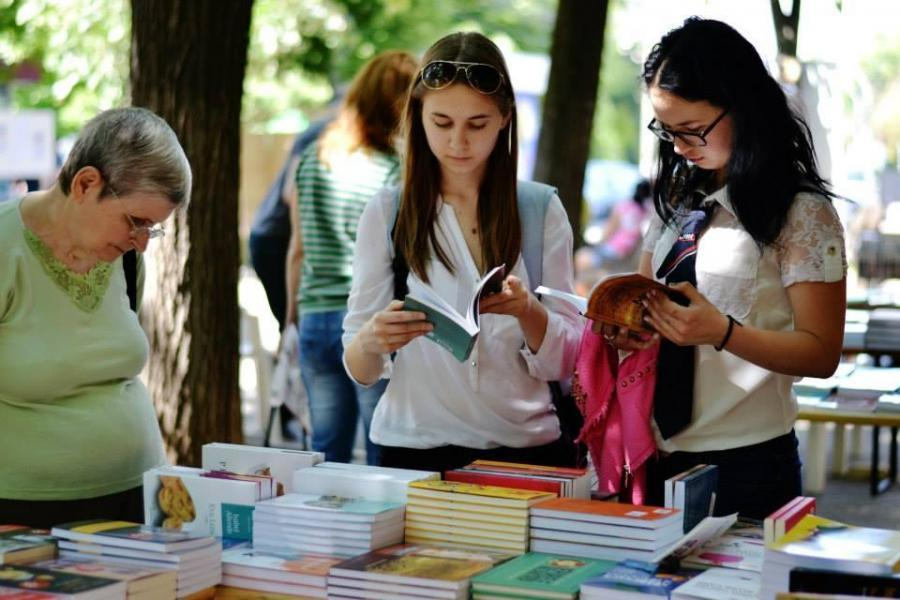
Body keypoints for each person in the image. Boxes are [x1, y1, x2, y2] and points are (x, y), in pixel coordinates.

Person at [595, 18, 847, 519]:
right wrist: (631, 328)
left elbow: (822, 353)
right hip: (657, 453)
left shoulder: (801, 212)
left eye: (692, 131)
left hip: (747, 462)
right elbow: (650, 303)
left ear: (744, 106)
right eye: (667, 132)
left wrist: (722, 332)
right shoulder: (679, 200)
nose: (680, 148)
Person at [342, 32, 583, 473]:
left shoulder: (539, 209)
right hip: (412, 451)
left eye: (477, 124)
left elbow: (569, 360)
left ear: (505, 118)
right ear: (417, 114)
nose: (458, 142)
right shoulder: (388, 211)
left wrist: (528, 311)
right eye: (442, 123)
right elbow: (359, 367)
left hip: (527, 451)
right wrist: (373, 340)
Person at [0, 107, 191, 527]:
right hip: (23, 513)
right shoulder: (5, 247)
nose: (141, 244)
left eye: (152, 229)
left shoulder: (121, 259)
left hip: (138, 497)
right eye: (136, 222)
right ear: (86, 183)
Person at [285, 50, 418, 465]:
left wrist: (291, 315)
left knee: (325, 449)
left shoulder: (311, 160)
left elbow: (297, 249)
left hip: (314, 315)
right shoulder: (396, 170)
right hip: (367, 323)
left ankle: (326, 527)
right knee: (381, 442)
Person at [574, 178, 651, 293]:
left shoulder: (623, 207)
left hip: (613, 251)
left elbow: (608, 231)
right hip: (627, 255)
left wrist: (597, 242)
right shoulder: (645, 212)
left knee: (582, 257)